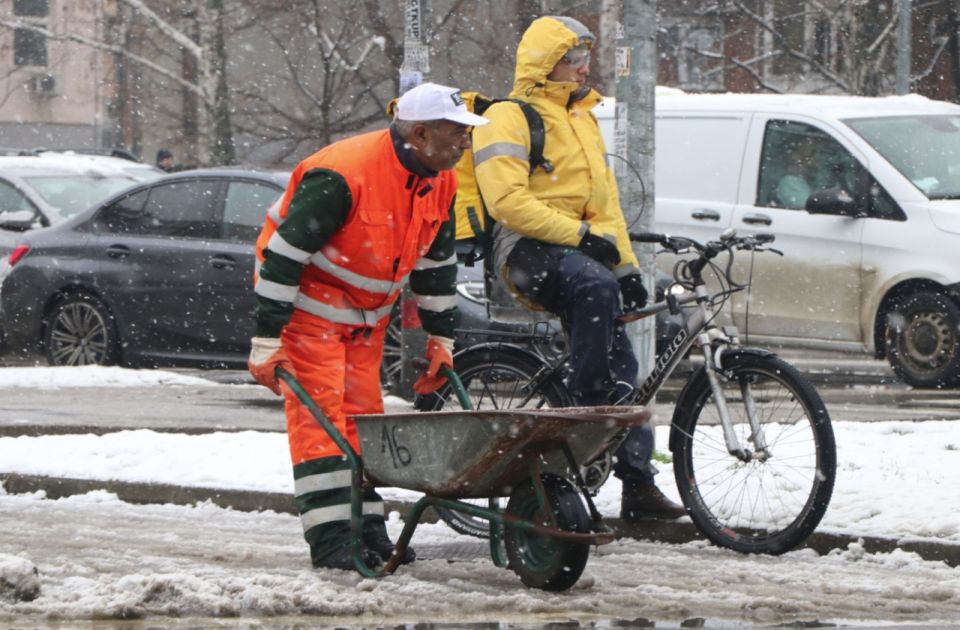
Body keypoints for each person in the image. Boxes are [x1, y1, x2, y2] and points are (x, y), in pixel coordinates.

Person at [247, 82, 488, 571]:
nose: (466, 143)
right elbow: (282, 258)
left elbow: (436, 265)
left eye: (468, 133)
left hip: (364, 321)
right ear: (419, 134)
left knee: (361, 423)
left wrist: (441, 337)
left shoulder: (440, 179)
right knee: (322, 424)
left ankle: (368, 529)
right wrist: (266, 339)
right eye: (457, 133)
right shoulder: (343, 175)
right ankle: (334, 539)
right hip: (309, 312)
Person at [472, 15, 685, 521]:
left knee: (627, 369)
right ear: (548, 64)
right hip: (525, 248)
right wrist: (581, 237)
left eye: (587, 60)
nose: (585, 71)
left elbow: (606, 206)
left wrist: (629, 266)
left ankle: (637, 484)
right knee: (593, 288)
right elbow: (506, 201)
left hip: (576, 249)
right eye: (575, 61)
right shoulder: (509, 117)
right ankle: (588, 404)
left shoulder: (582, 118)